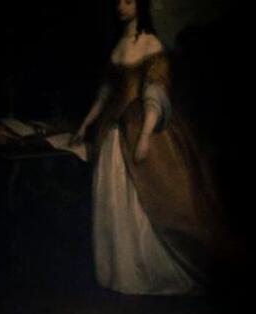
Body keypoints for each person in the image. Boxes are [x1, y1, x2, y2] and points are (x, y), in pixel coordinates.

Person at [70, 0, 232, 296]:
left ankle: (148, 272)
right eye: (117, 0)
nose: (120, 6)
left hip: (141, 127)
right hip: (112, 134)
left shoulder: (151, 44)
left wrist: (145, 135)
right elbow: (106, 93)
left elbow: (154, 92)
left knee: (144, 201)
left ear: (140, 6)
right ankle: (120, 273)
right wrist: (85, 125)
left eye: (128, 0)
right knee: (114, 199)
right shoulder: (118, 46)